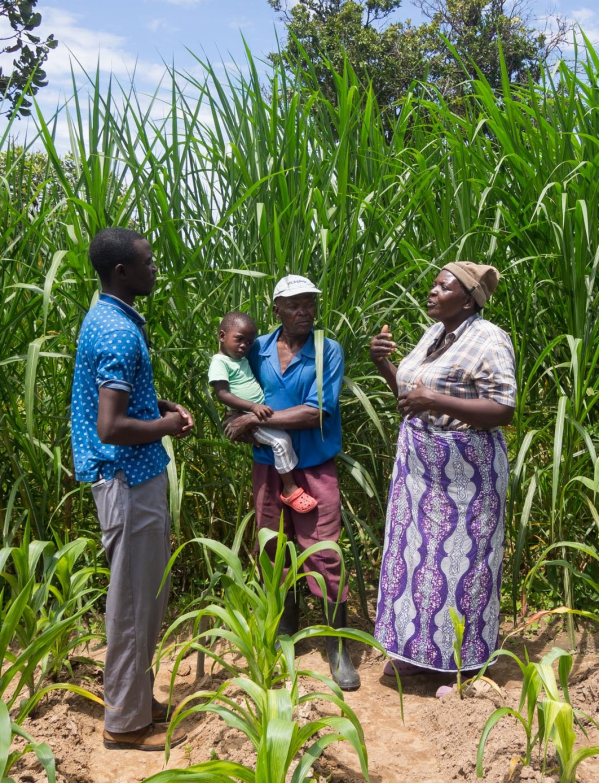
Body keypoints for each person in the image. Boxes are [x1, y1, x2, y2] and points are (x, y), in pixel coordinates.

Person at [71, 227, 194, 750]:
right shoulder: (118, 331)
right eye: (147, 261)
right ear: (122, 272)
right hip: (127, 476)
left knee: (146, 595)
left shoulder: (111, 316)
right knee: (131, 603)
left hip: (132, 474)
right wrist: (166, 428)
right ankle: (125, 722)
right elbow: (110, 426)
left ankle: (136, 697)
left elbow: (122, 403)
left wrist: (158, 406)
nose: (154, 268)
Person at [369, 261, 516, 690]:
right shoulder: (434, 334)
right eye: (433, 285)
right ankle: (414, 652)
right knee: (415, 556)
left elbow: (504, 409)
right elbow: (412, 397)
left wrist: (436, 398)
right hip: (420, 467)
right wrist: (384, 365)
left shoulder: (489, 339)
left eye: (443, 286)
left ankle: (462, 659)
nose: (432, 292)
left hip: (467, 473)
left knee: (464, 563)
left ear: (468, 298)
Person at [223, 274, 360, 691]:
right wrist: (239, 420)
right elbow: (230, 388)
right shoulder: (256, 346)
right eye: (295, 304)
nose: (305, 311)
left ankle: (336, 643)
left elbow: (316, 410)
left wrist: (254, 417)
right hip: (268, 463)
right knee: (272, 545)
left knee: (324, 550)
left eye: (310, 303)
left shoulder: (326, 350)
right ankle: (286, 626)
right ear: (276, 309)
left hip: (314, 466)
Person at [208, 311, 317, 512]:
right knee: (281, 441)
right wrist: (252, 408)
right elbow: (222, 394)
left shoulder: (239, 359)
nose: (244, 346)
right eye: (239, 339)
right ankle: (290, 488)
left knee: (281, 440)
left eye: (249, 343)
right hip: (247, 416)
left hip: (256, 416)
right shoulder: (219, 362)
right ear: (222, 336)